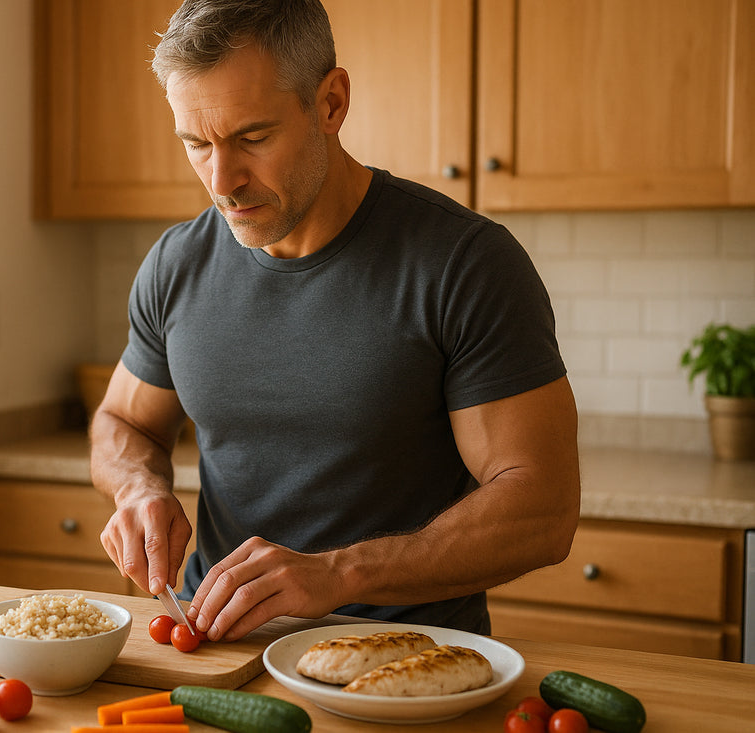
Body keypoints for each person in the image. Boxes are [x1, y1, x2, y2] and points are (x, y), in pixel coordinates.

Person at [90, 0, 580, 643]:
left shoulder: (464, 264)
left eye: (253, 138)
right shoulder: (176, 264)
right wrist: (138, 490)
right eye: (196, 144)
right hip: (213, 646)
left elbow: (543, 507)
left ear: (330, 103)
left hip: (402, 664)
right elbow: (123, 421)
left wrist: (339, 575)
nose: (222, 180)